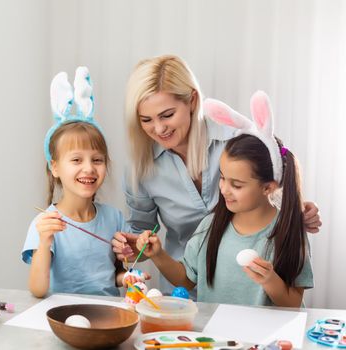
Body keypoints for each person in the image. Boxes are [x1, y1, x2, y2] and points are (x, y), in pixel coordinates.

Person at [112, 55, 321, 294]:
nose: (159, 129)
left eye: (167, 115)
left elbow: (270, 190)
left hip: (250, 288)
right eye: (146, 120)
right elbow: (142, 229)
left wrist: (297, 208)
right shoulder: (141, 167)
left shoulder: (235, 141)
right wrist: (133, 247)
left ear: (192, 101)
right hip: (183, 286)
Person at [135, 91, 313, 306]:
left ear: (268, 187)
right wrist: (159, 255)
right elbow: (186, 279)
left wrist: (270, 280)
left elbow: (293, 303)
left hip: (266, 338)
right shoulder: (212, 225)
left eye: (236, 185)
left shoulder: (289, 232)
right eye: (222, 178)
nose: (224, 189)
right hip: (217, 337)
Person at [22, 67, 148, 298]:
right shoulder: (45, 223)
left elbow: (114, 277)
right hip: (63, 318)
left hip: (109, 317)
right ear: (55, 167)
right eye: (77, 159)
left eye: (97, 160)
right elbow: (38, 290)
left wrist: (129, 277)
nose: (89, 168)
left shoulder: (114, 218)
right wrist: (44, 241)